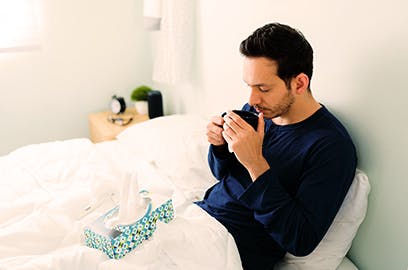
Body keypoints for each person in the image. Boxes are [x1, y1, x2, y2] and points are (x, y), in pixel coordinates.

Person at [195, 22, 357, 270]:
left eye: (263, 88)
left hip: (230, 248)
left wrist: (256, 164)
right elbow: (223, 175)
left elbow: (300, 239)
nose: (251, 100)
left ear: (299, 84)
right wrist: (218, 146)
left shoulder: (331, 147)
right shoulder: (257, 112)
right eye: (249, 86)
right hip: (199, 218)